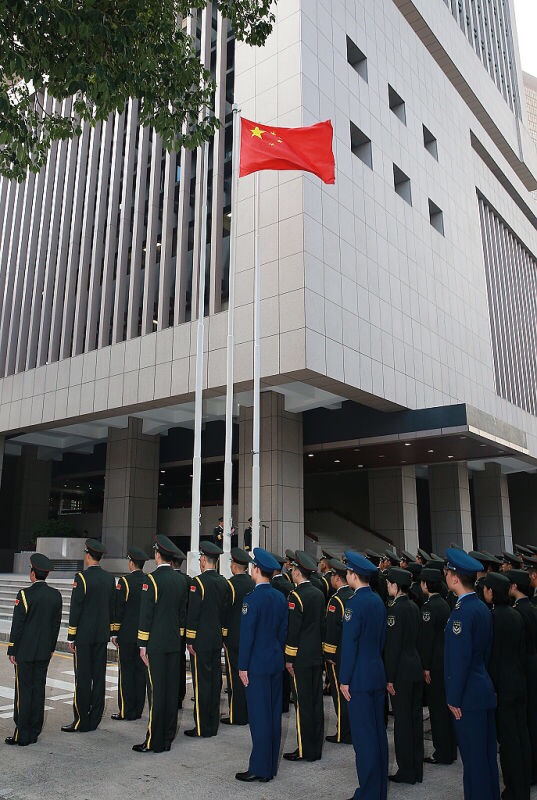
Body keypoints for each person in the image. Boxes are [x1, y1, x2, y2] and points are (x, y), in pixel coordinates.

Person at [444, 548, 500, 800]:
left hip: (467, 696)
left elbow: (460, 660)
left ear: (455, 577)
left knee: (474, 762)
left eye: (447, 571)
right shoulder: (480, 607)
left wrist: (453, 697)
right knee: (485, 759)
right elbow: (484, 654)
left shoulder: (463, 612)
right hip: (481, 688)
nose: (445, 575)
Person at [235, 548, 288, 782]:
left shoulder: (252, 599)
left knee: (259, 718)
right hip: (275, 663)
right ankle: (270, 768)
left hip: (256, 665)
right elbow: (283, 633)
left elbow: (247, 637)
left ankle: (259, 767)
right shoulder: (279, 597)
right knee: (273, 715)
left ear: (256, 569)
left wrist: (242, 666)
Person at [339, 551, 388, 800]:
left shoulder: (354, 603)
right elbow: (380, 641)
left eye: (347, 571)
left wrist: (344, 678)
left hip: (358, 677)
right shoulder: (378, 601)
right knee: (378, 735)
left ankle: (368, 792)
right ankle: (378, 790)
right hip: (376, 672)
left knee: (364, 738)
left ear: (353, 575)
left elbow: (350, 645)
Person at [133, 535, 188, 753]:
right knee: (170, 690)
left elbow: (146, 615)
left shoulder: (151, 580)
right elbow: (182, 614)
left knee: (156, 693)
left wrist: (142, 644)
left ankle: (153, 741)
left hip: (155, 644)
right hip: (174, 643)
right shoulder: (182, 580)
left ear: (157, 555)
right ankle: (167, 737)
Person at [5, 553, 62, 746]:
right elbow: (55, 626)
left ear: (32, 573)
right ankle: (34, 731)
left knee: (23, 690)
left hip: (25, 652)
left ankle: (22, 733)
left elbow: (18, 626)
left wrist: (12, 649)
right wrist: (51, 649)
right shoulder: (56, 595)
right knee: (38, 689)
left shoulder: (24, 595)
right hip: (44, 651)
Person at [483, 571, 531, 800]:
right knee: (521, 735)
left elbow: (491, 655)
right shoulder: (515, 615)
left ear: (492, 592)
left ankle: (514, 789)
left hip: (501, 684)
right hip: (518, 680)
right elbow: (521, 652)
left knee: (508, 740)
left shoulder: (492, 618)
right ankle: (523, 783)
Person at [62, 538, 116, 733]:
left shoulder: (82, 578)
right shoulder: (109, 579)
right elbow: (112, 607)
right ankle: (94, 720)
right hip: (101, 635)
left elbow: (76, 608)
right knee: (99, 677)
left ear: (87, 555)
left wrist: (71, 636)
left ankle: (81, 720)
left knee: (83, 678)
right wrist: (111, 631)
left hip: (84, 637)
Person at [185, 540, 231, 737]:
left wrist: (190, 639)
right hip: (216, 638)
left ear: (203, 560)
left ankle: (203, 727)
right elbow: (225, 612)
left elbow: (193, 614)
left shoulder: (198, 583)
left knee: (201, 683)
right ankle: (212, 725)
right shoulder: (224, 582)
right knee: (214, 682)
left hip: (201, 641)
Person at [283, 549, 325, 762]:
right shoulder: (318, 593)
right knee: (316, 702)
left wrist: (289, 658)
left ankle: (304, 749)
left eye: (292, 569)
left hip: (301, 657)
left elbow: (294, 630)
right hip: (316, 655)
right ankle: (315, 747)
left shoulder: (296, 596)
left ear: (298, 572)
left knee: (303, 704)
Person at [384, 566, 424, 785]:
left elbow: (393, 647)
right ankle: (416, 768)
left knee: (403, 723)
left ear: (396, 586)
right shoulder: (414, 607)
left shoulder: (396, 609)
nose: (387, 587)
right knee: (415, 720)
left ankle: (406, 770)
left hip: (401, 672)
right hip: (415, 667)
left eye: (389, 583)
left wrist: (389, 677)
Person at [418, 566, 456, 765]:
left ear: (426, 584)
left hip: (434, 663)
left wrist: (425, 666)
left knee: (437, 709)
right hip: (444, 661)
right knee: (445, 707)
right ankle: (449, 747)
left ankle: (442, 752)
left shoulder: (429, 607)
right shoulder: (444, 603)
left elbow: (427, 639)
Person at [111, 545, 149, 721]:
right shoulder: (149, 581)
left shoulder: (124, 582)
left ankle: (126, 710)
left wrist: (114, 631)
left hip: (126, 634)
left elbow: (119, 609)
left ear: (132, 563)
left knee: (126, 672)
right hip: (143, 635)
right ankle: (138, 709)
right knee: (141, 672)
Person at [508, 568, 537, 785]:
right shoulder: (532, 607)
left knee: (527, 722)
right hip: (532, 665)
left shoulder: (518, 611)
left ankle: (530, 770)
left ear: (514, 587)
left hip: (525, 667)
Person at [222, 547, 254, 725]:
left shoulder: (231, 584)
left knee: (235, 676)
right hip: (250, 637)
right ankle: (249, 712)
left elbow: (225, 611)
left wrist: (224, 635)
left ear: (234, 565)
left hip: (234, 637)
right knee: (249, 675)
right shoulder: (253, 583)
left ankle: (237, 715)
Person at [322, 558, 353, 744]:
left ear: (337, 578)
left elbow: (332, 630)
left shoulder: (337, 600)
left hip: (339, 654)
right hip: (350, 652)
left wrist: (329, 654)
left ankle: (343, 731)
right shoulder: (352, 595)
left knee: (340, 695)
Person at [170, 546, 191, 710]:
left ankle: (170, 697)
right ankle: (179, 695)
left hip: (169, 630)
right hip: (183, 629)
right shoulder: (188, 580)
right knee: (180, 663)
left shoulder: (168, 579)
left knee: (168, 664)